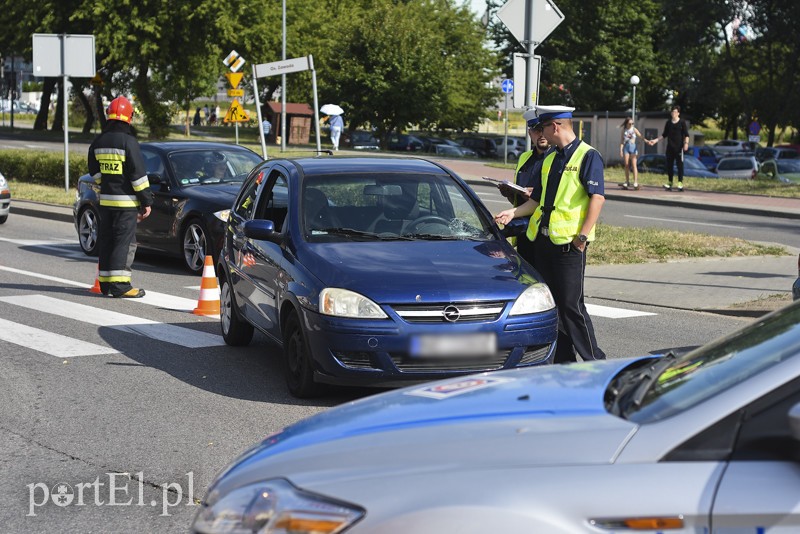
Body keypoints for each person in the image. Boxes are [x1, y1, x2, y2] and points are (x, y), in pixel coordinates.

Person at [494, 104, 606, 364]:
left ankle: (596, 362)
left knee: (572, 307)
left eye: (543, 126)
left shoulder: (588, 156)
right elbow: (539, 201)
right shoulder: (550, 158)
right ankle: (563, 362)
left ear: (555, 126)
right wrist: (513, 213)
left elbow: (597, 199)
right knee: (553, 305)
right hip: (543, 241)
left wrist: (582, 238)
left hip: (569, 246)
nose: (540, 132)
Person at [88, 95, 153, 298]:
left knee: (107, 240)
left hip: (106, 202)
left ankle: (106, 283)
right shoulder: (128, 142)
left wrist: (106, 184)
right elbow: (138, 176)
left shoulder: (98, 141)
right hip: (126, 204)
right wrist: (146, 201)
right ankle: (120, 285)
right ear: (129, 117)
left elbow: (94, 171)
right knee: (123, 243)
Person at [497, 109, 551, 265]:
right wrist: (509, 193)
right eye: (536, 130)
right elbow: (518, 198)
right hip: (522, 229)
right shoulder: (524, 157)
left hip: (543, 232)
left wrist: (536, 197)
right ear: (530, 133)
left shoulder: (556, 158)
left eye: (543, 129)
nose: (540, 134)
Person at [647, 105, 689, 191]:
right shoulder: (668, 123)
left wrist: (686, 143)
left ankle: (680, 183)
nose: (673, 113)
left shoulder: (682, 122)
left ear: (678, 113)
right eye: (672, 112)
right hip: (670, 147)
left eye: (675, 112)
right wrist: (655, 140)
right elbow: (664, 135)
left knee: (679, 166)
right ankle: (670, 182)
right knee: (669, 166)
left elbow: (686, 135)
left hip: (679, 148)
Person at [619, 116, 644, 190]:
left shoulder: (634, 129)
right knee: (626, 165)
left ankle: (635, 182)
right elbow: (621, 141)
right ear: (627, 123)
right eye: (630, 123)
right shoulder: (624, 130)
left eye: (632, 123)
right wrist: (620, 150)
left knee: (634, 165)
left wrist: (647, 141)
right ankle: (627, 181)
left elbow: (640, 136)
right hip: (626, 147)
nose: (631, 125)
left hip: (633, 147)